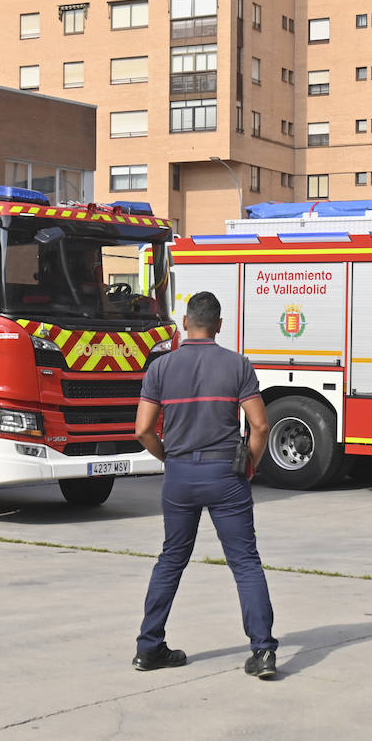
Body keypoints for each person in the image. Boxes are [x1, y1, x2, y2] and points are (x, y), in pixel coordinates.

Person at [132, 291, 278, 679]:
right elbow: (260, 425)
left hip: (179, 475)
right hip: (225, 476)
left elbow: (142, 429)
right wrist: (250, 464)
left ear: (184, 323)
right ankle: (263, 652)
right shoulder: (237, 366)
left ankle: (148, 649)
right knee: (245, 562)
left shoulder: (160, 369)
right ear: (219, 325)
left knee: (171, 559)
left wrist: (167, 458)